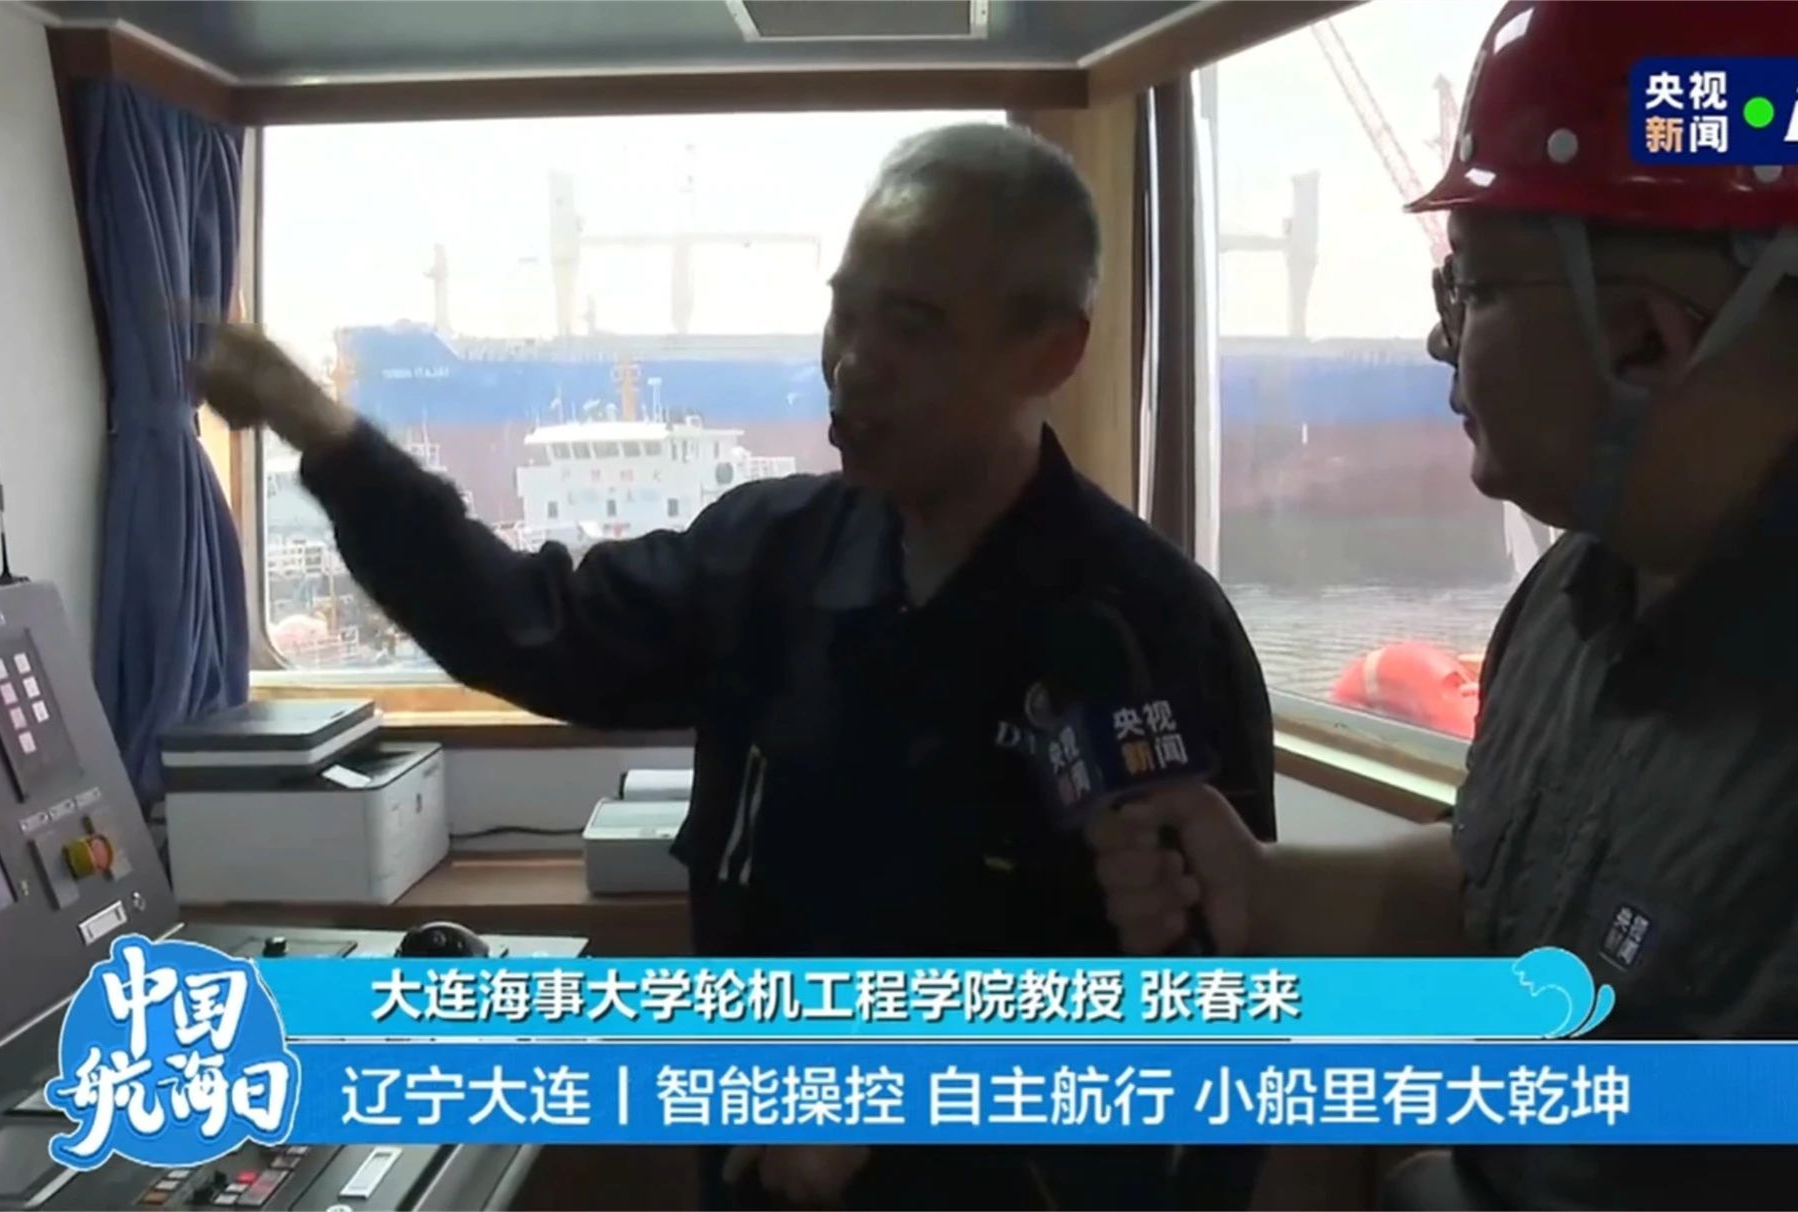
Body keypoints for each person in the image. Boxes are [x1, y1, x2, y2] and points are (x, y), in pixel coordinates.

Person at [197, 122, 1276, 1209]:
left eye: (910, 325)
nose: (851, 361)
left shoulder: (1150, 633)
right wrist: (322, 431)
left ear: (1048, 354)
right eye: (844, 310)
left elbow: (1209, 1063)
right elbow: (530, 625)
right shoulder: (768, 558)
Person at [1091, 2, 1798, 1209]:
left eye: (1469, 288)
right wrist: (1263, 890)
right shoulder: (1574, 593)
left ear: (1642, 337)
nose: (1440, 342)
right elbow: (1501, 892)